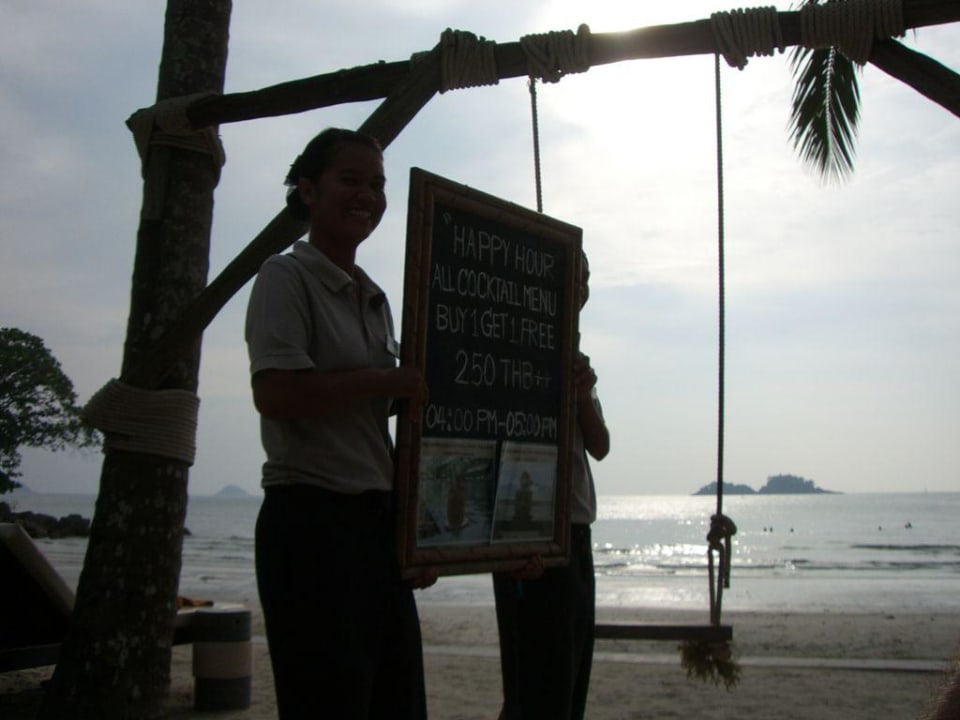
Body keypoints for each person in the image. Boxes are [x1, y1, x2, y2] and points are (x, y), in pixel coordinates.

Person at [245, 128, 434, 719]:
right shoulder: (285, 276)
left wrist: (418, 533)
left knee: (397, 703)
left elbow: (381, 433)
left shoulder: (374, 296)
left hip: (377, 526)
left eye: (377, 184)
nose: (368, 196)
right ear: (307, 190)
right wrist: (386, 381)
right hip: (311, 524)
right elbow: (274, 394)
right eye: (350, 180)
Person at [492, 253, 611, 720]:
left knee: (568, 681)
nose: (579, 288)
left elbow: (599, 445)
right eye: (570, 277)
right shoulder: (511, 349)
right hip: (531, 534)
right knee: (536, 689)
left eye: (585, 279)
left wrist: (582, 393)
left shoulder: (576, 358)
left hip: (577, 535)